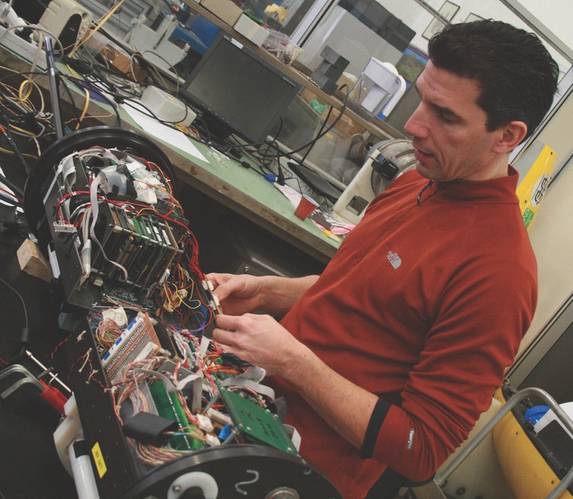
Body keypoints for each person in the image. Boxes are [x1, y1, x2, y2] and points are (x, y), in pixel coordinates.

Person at [209, 20, 559, 498]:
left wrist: (293, 362)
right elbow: (366, 290)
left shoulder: (499, 273)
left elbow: (421, 450)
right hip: (244, 410)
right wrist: (269, 292)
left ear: (507, 135)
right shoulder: (419, 181)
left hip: (295, 475)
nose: (413, 126)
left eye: (445, 116)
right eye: (420, 100)